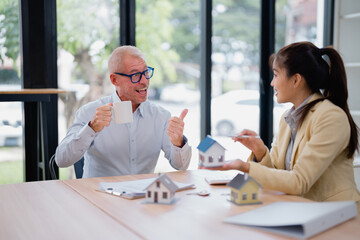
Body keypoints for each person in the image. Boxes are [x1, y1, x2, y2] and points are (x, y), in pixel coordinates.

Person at [206, 41, 360, 213]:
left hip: (337, 218)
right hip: (302, 212)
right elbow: (280, 176)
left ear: (296, 80)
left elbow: (299, 182)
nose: (272, 83)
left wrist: (244, 166)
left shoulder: (330, 117)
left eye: (276, 75)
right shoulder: (288, 117)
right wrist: (260, 152)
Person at [55, 45, 191, 178]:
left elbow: (181, 166)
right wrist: (91, 128)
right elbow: (61, 160)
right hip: (100, 197)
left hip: (141, 197)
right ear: (115, 79)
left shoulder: (160, 116)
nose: (144, 81)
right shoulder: (90, 112)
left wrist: (178, 142)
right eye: (136, 75)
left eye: (146, 72)